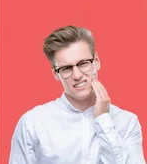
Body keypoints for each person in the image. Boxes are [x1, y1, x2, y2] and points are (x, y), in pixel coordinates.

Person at [9, 25, 145, 164]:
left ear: (96, 61)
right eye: (66, 68)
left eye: (83, 63)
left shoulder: (127, 122)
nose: (77, 75)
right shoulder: (33, 123)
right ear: (56, 73)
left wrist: (103, 120)